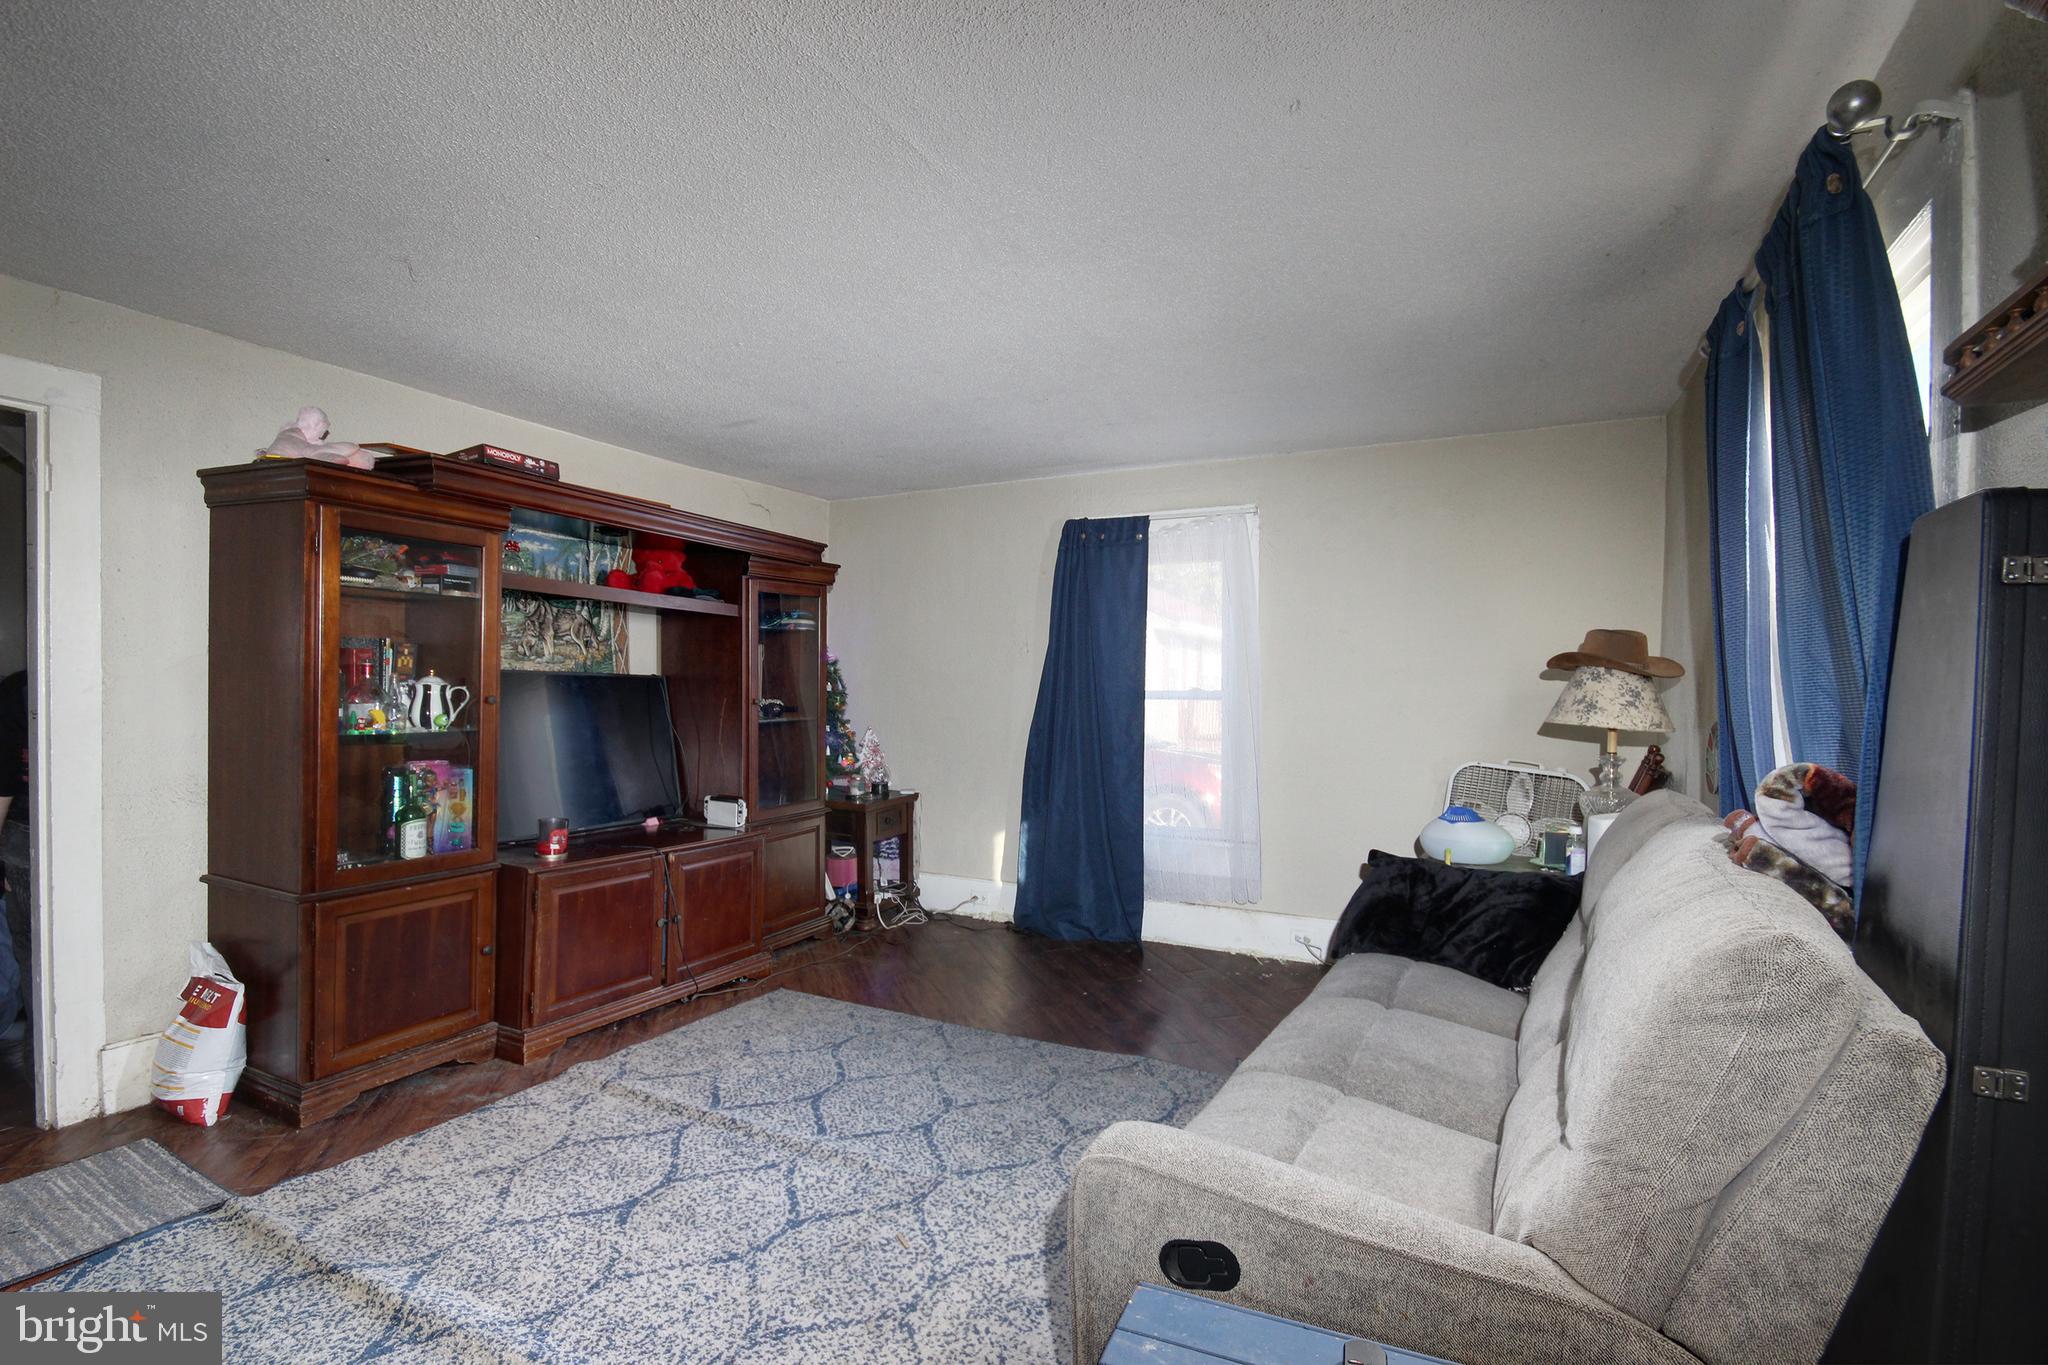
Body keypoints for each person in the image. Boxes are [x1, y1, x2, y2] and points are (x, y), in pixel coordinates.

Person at [0, 670, 28, 1036]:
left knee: (21, 943)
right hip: (30, 827)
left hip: (22, 829)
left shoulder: (15, 691)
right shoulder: (17, 690)